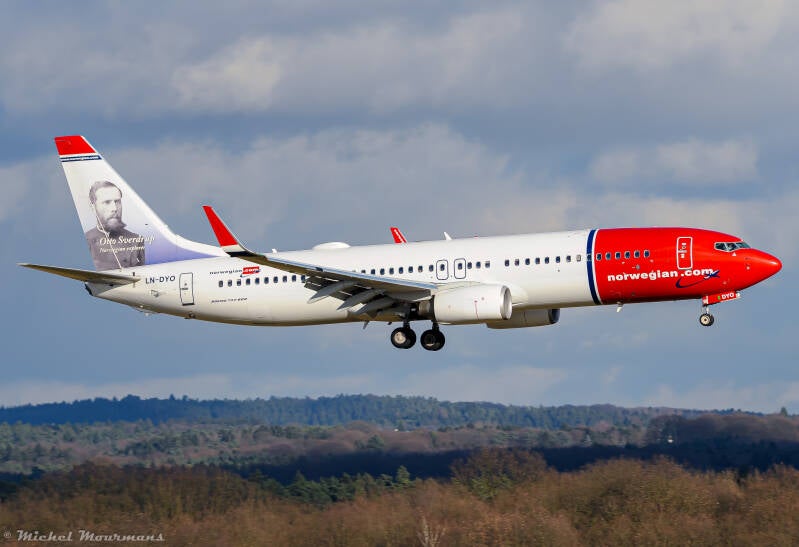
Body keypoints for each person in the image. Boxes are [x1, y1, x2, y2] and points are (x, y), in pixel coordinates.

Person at [85, 180, 145, 270]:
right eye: (107, 202)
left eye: (117, 202)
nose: (114, 208)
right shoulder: (87, 240)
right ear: (93, 207)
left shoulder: (136, 240)